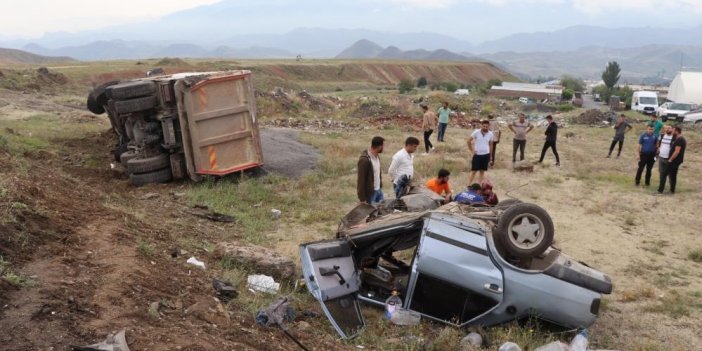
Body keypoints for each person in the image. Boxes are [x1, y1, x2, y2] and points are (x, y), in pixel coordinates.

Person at [657, 126, 686, 195]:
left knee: (665, 174)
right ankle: (671, 191)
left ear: (676, 131)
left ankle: (660, 191)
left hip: (674, 161)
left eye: (673, 130)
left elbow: (677, 151)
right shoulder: (679, 138)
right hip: (673, 160)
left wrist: (670, 159)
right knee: (672, 175)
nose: (672, 131)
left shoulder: (679, 139)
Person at [357, 136, 384, 205]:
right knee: (372, 214)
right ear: (379, 146)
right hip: (371, 193)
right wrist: (362, 199)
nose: (383, 148)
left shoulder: (377, 157)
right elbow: (361, 180)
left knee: (382, 212)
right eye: (383, 146)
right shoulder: (364, 160)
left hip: (379, 191)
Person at [467, 120, 494, 185]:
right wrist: (472, 150)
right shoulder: (476, 132)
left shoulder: (490, 134)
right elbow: (468, 141)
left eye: (486, 126)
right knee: (474, 171)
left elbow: (491, 145)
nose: (485, 128)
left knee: (482, 171)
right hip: (477, 154)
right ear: (481, 125)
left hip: (486, 154)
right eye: (484, 126)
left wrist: (490, 156)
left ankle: (479, 185)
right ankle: (468, 185)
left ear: (488, 126)